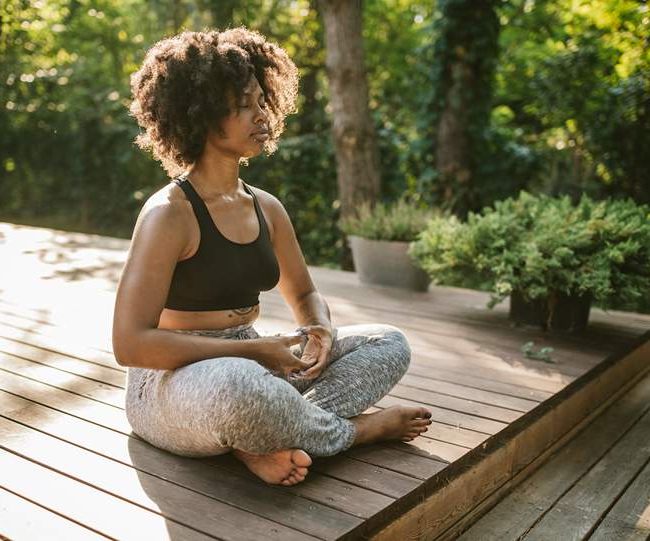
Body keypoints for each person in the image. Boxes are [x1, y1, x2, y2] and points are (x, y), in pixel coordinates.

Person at [112, 27, 432, 487]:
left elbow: (303, 290)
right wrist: (255, 352)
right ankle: (354, 433)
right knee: (241, 386)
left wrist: (318, 327)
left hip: (254, 359)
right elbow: (130, 345)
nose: (261, 115)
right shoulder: (169, 214)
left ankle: (260, 438)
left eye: (262, 101)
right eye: (244, 104)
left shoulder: (267, 208)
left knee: (387, 342)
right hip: (169, 383)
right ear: (200, 112)